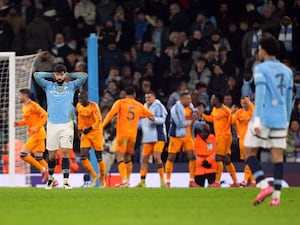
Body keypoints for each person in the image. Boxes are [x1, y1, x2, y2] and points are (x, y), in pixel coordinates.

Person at [244, 36, 293, 206]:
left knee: (248, 152)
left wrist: (257, 119)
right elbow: (289, 99)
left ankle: (264, 185)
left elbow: (261, 93)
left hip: (264, 116)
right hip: (281, 118)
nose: (258, 52)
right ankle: (276, 198)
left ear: (263, 50)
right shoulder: (288, 71)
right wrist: (287, 123)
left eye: (259, 49)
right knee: (278, 158)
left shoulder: (260, 68)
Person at [34, 63, 87, 189]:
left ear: (64, 74)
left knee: (65, 152)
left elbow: (84, 76)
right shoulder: (48, 86)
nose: (59, 77)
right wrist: (50, 75)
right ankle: (51, 180)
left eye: (61, 74)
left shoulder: (71, 86)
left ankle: (66, 182)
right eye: (57, 74)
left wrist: (70, 75)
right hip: (52, 124)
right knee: (52, 155)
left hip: (67, 124)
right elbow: (36, 75)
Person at [102, 87, 154, 187]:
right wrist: (141, 116)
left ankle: (125, 181)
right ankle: (128, 181)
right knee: (128, 157)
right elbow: (150, 116)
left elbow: (111, 114)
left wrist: (102, 126)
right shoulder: (139, 105)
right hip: (132, 136)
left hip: (122, 135)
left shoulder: (120, 102)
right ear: (134, 95)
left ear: (126, 94)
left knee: (120, 157)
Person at [200, 93, 239, 187]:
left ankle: (217, 182)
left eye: (213, 98)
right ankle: (235, 182)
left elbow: (233, 121)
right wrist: (202, 115)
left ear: (217, 100)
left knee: (218, 157)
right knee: (226, 159)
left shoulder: (226, 110)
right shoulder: (214, 109)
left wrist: (233, 113)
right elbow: (211, 119)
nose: (211, 100)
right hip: (219, 137)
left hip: (225, 136)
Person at [165, 91, 199, 188]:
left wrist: (199, 123)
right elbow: (180, 124)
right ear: (182, 99)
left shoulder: (191, 107)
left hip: (187, 136)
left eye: (190, 99)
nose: (190, 100)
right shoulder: (175, 109)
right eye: (188, 99)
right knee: (171, 157)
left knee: (192, 157)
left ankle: (191, 180)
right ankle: (167, 181)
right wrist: (193, 119)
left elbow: (192, 121)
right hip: (176, 136)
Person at [14, 89, 48, 182]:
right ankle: (51, 179)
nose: (19, 97)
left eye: (20, 95)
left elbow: (45, 115)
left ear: (25, 95)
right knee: (39, 157)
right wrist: (19, 124)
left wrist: (37, 127)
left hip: (38, 134)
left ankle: (43, 170)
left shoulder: (34, 105)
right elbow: (28, 120)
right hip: (35, 134)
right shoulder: (25, 106)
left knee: (23, 155)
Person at [135, 91, 168, 188]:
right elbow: (143, 122)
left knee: (157, 157)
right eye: (146, 98)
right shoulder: (144, 106)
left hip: (158, 136)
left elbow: (163, 119)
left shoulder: (159, 106)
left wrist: (154, 119)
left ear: (154, 97)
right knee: (144, 159)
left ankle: (162, 181)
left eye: (149, 97)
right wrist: (133, 125)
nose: (147, 99)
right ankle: (142, 182)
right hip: (148, 138)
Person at [76, 90, 106, 188]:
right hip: (86, 133)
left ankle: (103, 180)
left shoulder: (94, 106)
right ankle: (94, 176)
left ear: (86, 98)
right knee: (83, 157)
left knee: (99, 157)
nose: (80, 100)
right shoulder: (78, 106)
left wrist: (90, 128)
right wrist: (79, 130)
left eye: (82, 98)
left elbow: (99, 120)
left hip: (96, 132)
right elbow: (80, 117)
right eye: (79, 98)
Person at [231, 96, 256, 187]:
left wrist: (250, 103)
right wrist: (231, 112)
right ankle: (253, 182)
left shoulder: (253, 111)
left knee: (249, 160)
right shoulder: (239, 112)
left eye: (246, 102)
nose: (245, 104)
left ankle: (245, 180)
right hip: (241, 140)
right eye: (243, 103)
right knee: (248, 160)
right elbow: (231, 121)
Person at [194, 122, 217, 187]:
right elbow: (195, 154)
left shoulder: (212, 139)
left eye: (205, 132)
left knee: (213, 187)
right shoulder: (196, 140)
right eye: (202, 132)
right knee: (199, 188)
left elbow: (215, 151)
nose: (204, 134)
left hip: (211, 167)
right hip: (199, 169)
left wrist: (208, 161)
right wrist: (202, 162)